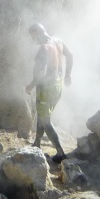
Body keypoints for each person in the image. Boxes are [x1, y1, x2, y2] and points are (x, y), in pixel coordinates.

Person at [25, 22, 73, 162]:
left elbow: (41, 71)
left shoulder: (44, 48)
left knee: (46, 120)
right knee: (42, 114)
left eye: (32, 37)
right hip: (58, 86)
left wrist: (31, 85)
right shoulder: (58, 41)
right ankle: (37, 143)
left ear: (36, 33)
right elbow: (70, 55)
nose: (33, 40)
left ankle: (60, 152)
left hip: (46, 88)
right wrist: (68, 75)